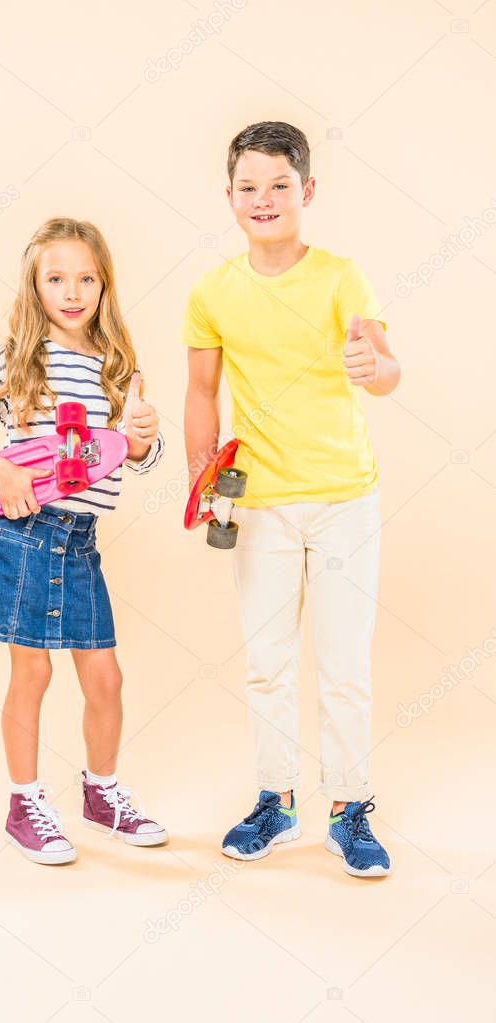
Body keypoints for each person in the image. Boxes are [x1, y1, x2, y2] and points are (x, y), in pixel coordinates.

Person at [182, 121, 400, 878]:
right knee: (266, 664)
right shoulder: (213, 289)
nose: (263, 198)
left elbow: (385, 369)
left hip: (345, 498)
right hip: (259, 504)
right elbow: (201, 392)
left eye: (279, 185)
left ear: (306, 192)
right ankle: (275, 800)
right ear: (230, 197)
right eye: (248, 187)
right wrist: (201, 478)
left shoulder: (342, 277)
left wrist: (372, 364)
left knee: (342, 664)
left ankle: (349, 808)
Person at [0, 217, 168, 864]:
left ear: (104, 284)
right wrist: (2, 469)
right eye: (56, 278)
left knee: (105, 679)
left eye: (86, 278)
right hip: (23, 535)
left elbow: (134, 454)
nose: (72, 291)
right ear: (34, 287)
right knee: (31, 672)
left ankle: (101, 792)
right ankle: (24, 801)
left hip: (81, 541)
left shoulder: (119, 367)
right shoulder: (17, 360)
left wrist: (144, 438)